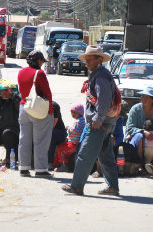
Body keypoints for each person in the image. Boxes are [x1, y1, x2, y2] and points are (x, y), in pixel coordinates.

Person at [62, 45, 119, 196]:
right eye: (86, 59)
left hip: (99, 123)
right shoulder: (100, 75)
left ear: (99, 60)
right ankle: (113, 186)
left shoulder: (100, 77)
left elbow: (104, 100)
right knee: (106, 156)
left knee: (84, 154)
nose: (86, 62)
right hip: (105, 122)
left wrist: (97, 119)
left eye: (89, 59)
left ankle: (77, 186)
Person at [17, 50, 54, 177]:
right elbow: (47, 93)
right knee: (41, 141)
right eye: (42, 61)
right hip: (38, 110)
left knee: (24, 140)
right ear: (38, 60)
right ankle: (41, 169)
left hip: (23, 107)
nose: (43, 63)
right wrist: (50, 111)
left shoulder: (21, 72)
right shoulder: (40, 73)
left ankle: (23, 167)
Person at [125, 87, 153, 167]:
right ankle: (141, 165)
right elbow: (130, 128)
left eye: (147, 97)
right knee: (140, 136)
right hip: (136, 137)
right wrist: (144, 132)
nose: (143, 99)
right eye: (143, 96)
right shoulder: (135, 109)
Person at [53, 103, 85, 172]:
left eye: (75, 112)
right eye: (72, 112)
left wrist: (68, 128)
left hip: (74, 144)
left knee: (61, 150)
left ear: (80, 113)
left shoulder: (79, 121)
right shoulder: (79, 120)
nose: (73, 114)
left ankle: (64, 165)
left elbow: (75, 130)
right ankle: (57, 163)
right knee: (60, 146)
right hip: (71, 142)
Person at [48, 100, 67, 169]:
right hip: (50, 130)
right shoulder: (38, 105)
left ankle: (49, 162)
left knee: (51, 134)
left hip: (59, 132)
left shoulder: (54, 105)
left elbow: (53, 124)